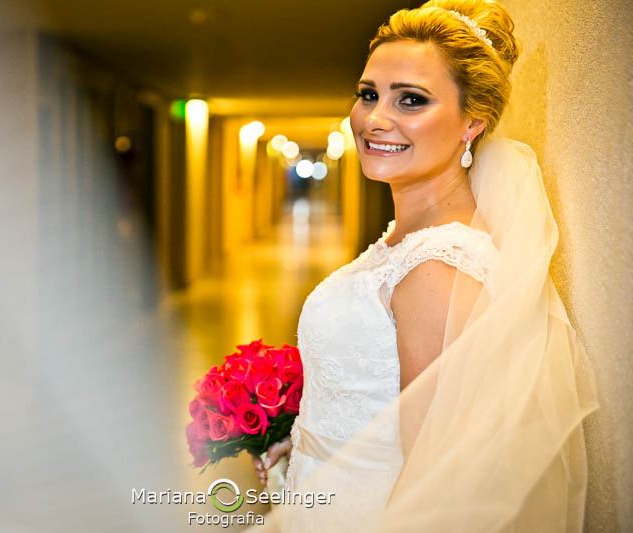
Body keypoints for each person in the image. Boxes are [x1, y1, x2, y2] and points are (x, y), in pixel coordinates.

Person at [249, 0, 598, 530]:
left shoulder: (436, 269)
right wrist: (304, 444)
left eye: (411, 99)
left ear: (471, 124)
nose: (375, 119)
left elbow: (438, 484)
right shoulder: (406, 241)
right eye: (369, 94)